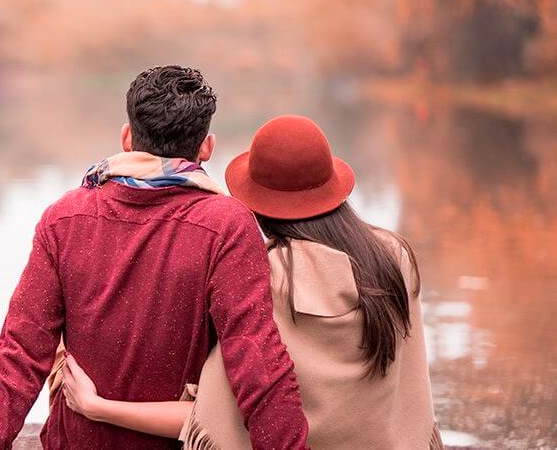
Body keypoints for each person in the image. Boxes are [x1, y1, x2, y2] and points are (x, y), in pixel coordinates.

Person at [0, 67, 310, 449]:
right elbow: (257, 360)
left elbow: (20, 355)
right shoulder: (226, 224)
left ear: (127, 138)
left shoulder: (65, 217)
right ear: (206, 147)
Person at [58, 115, 443, 449]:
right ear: (332, 182)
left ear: (254, 200)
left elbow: (209, 419)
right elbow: (409, 394)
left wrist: (99, 408)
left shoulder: (259, 274)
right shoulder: (394, 258)